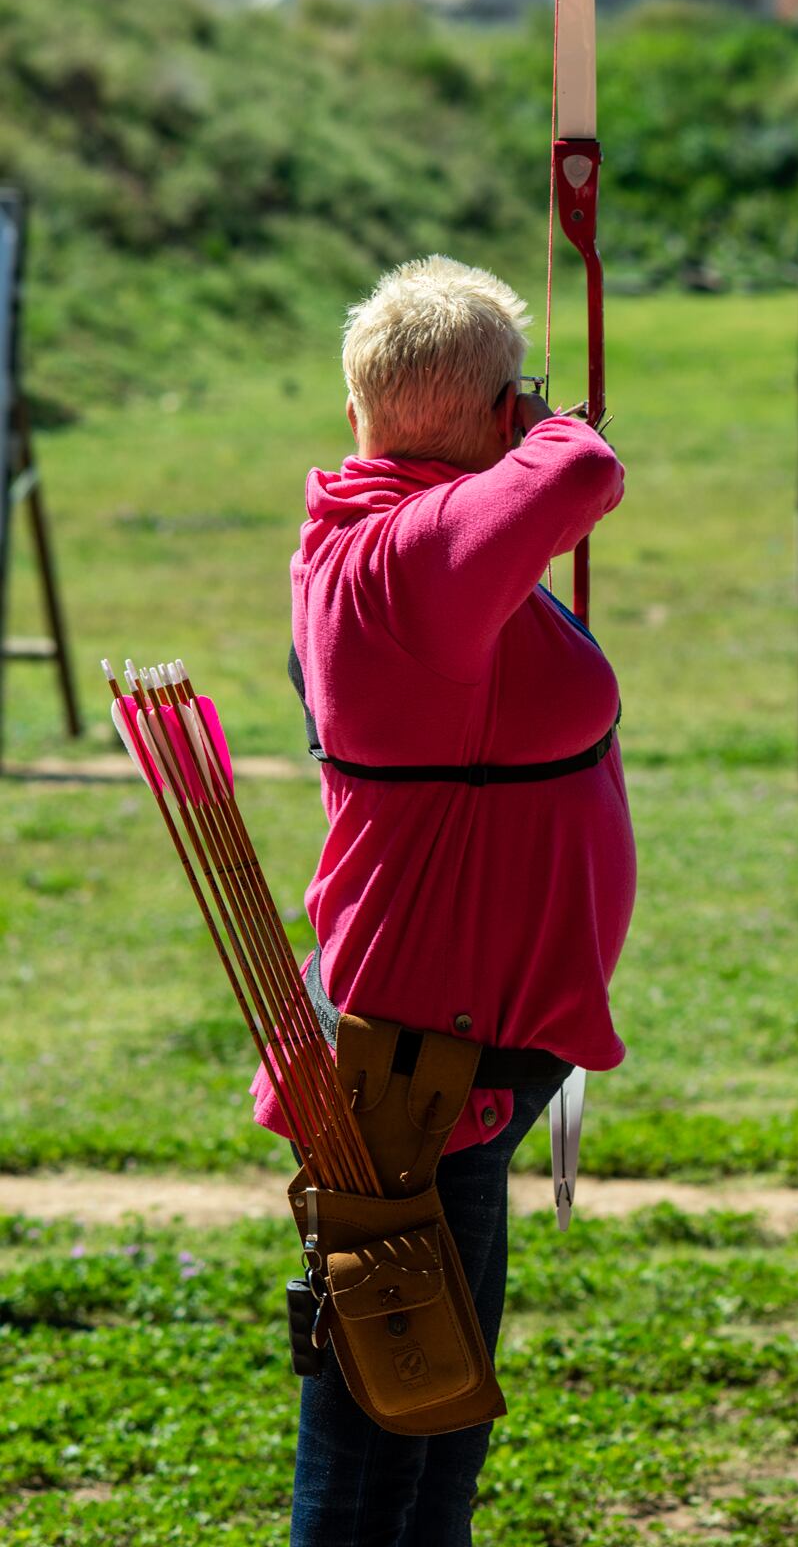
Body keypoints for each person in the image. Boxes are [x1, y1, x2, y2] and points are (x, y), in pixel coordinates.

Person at [251, 254, 636, 1547]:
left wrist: (510, 424)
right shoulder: (405, 564)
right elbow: (581, 476)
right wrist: (547, 429)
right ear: (484, 415)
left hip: (446, 1029)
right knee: (391, 1403)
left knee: (442, 1400)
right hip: (425, 1049)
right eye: (515, 397)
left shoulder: (398, 536)